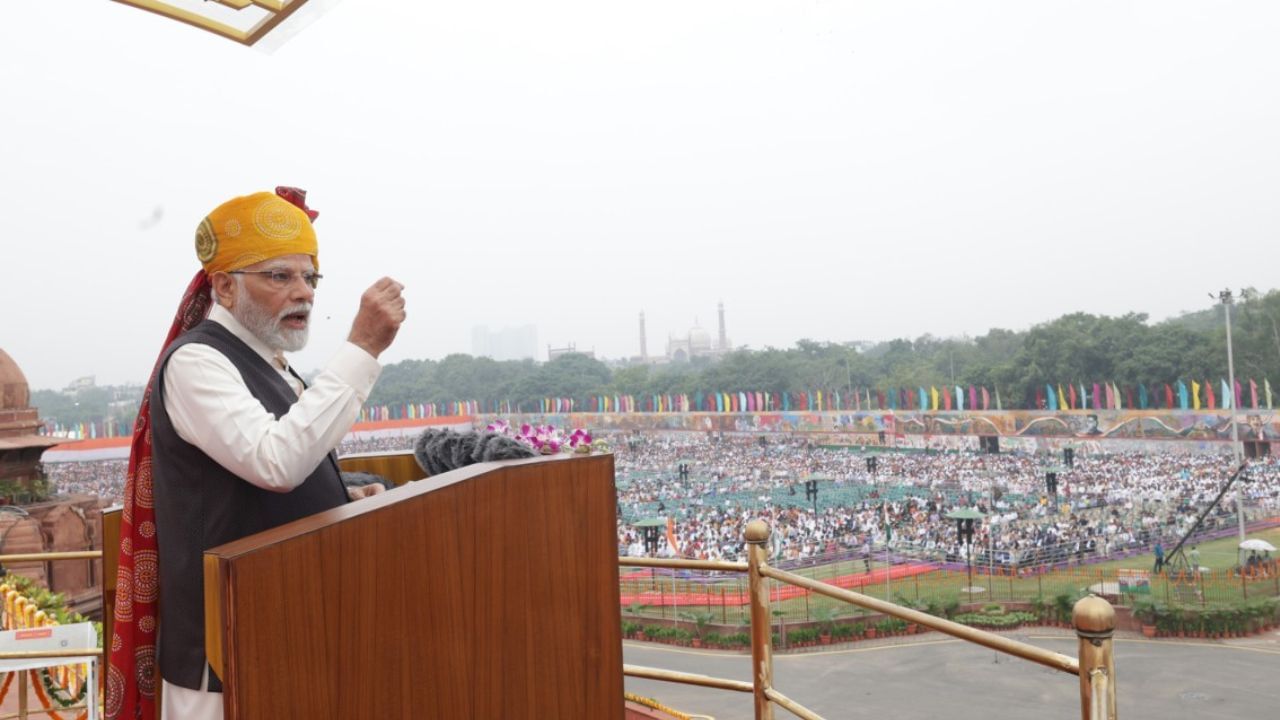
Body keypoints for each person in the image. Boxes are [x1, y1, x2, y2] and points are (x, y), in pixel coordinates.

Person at [106, 189, 406, 720]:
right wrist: (361, 346)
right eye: (279, 277)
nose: (304, 293)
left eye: (309, 278)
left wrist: (337, 495)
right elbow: (276, 463)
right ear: (223, 286)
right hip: (224, 653)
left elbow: (282, 462)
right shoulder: (199, 362)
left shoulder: (272, 362)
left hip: (282, 632)